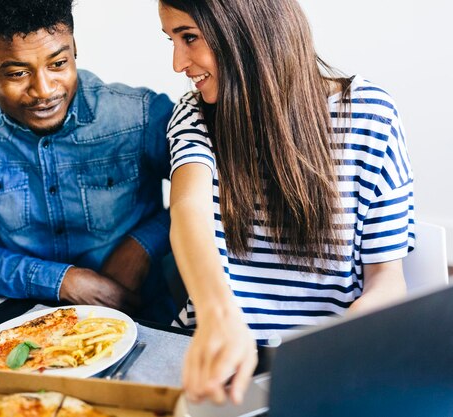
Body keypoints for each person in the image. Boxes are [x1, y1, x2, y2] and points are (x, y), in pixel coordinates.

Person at [159, 0, 415, 404]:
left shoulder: (372, 116)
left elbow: (386, 281)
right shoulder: (194, 114)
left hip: (326, 372)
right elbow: (187, 209)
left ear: (247, 27)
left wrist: (340, 351)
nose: (178, 63)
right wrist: (218, 315)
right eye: (171, 40)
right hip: (212, 368)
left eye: (189, 37)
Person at [0, 0, 176, 323]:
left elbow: (223, 189)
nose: (44, 90)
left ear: (74, 47)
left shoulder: (140, 115)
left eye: (58, 63)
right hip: (26, 322)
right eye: (18, 72)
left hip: (142, 317)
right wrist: (63, 281)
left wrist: (143, 245)